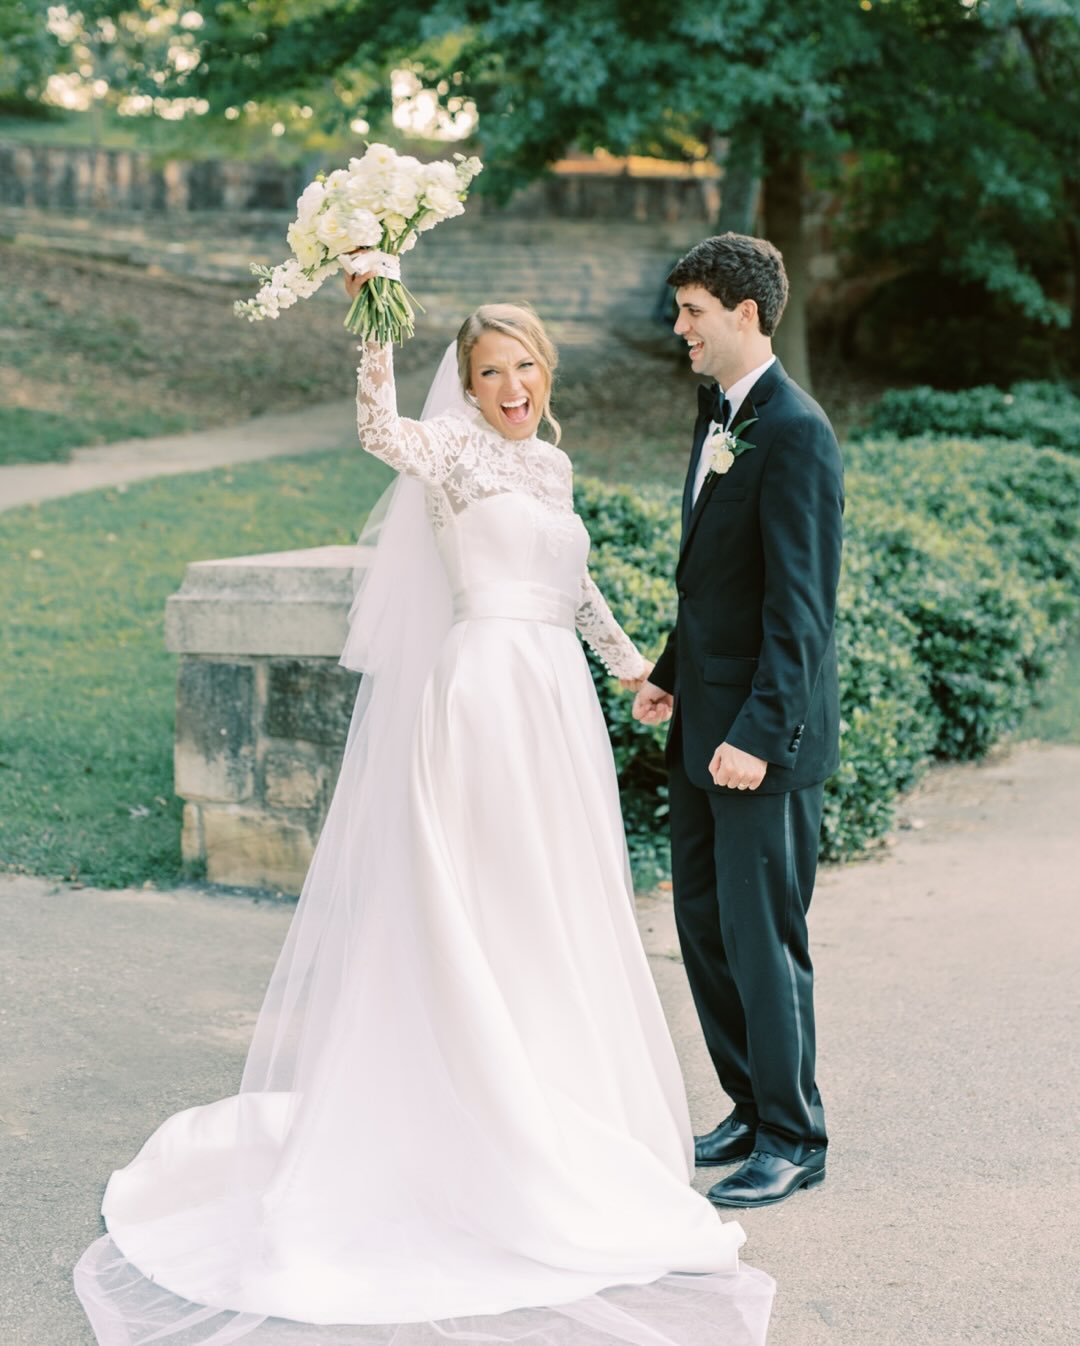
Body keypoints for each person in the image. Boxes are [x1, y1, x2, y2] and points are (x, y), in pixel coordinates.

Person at [73, 279, 774, 1346]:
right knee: (475, 900)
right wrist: (376, 319)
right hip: (482, 691)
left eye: (525, 367)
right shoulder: (447, 454)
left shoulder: (551, 463)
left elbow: (573, 586)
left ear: (547, 372)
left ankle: (551, 1098)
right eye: (490, 370)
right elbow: (374, 427)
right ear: (469, 380)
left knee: (548, 903)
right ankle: (465, 1110)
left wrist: (638, 667)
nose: (509, 387)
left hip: (556, 702)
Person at [634, 233, 844, 1210]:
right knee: (705, 926)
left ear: (747, 315)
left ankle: (795, 1136)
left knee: (764, 939)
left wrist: (758, 734)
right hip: (701, 727)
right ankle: (752, 1105)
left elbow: (798, 611)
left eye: (692, 312)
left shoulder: (795, 431)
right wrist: (672, 674)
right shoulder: (718, 414)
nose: (678, 328)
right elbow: (714, 580)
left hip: (761, 740)